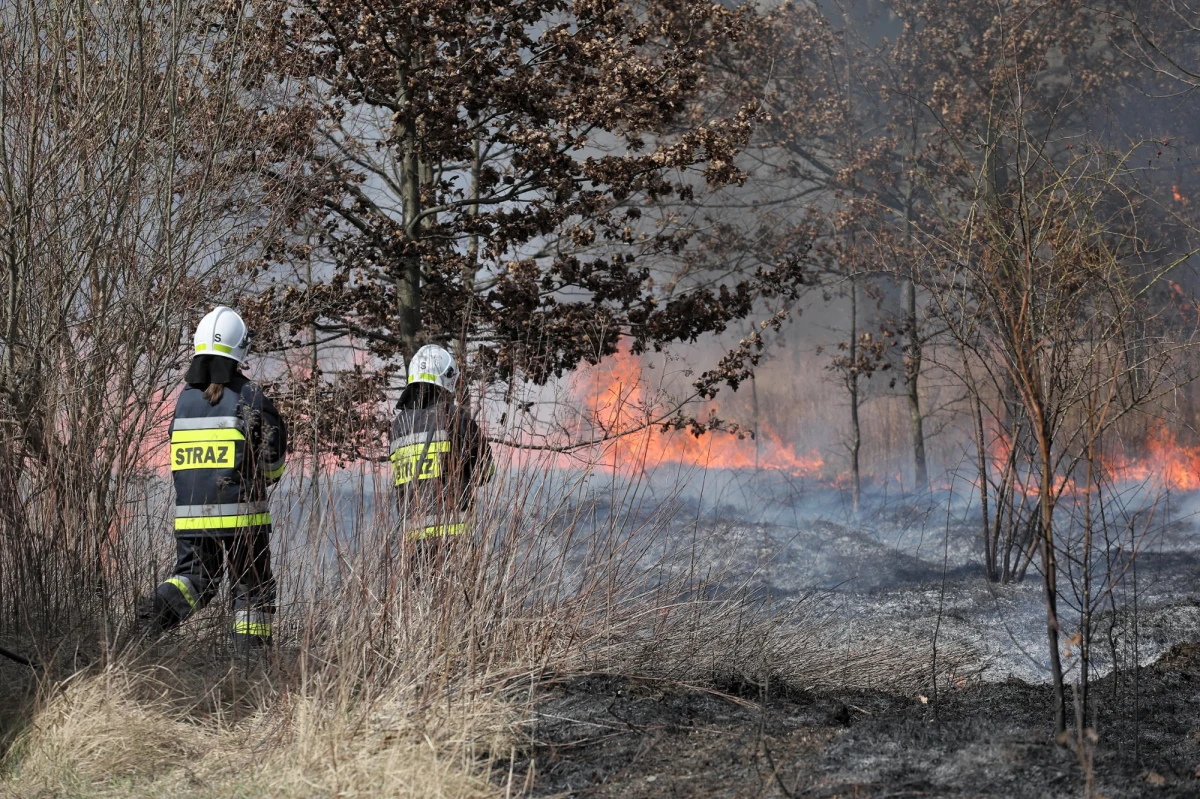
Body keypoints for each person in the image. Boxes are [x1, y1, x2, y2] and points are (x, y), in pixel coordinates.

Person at [138, 306, 288, 651]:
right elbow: (273, 467)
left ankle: (150, 617)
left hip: (191, 516)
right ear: (241, 350)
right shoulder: (251, 397)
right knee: (252, 587)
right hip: (242, 516)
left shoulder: (184, 402)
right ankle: (250, 661)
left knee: (196, 580)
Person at [391, 345, 493, 573]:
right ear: (446, 378)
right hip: (453, 537)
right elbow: (486, 472)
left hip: (413, 542)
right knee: (460, 604)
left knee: (418, 604)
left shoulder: (398, 425)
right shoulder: (455, 418)